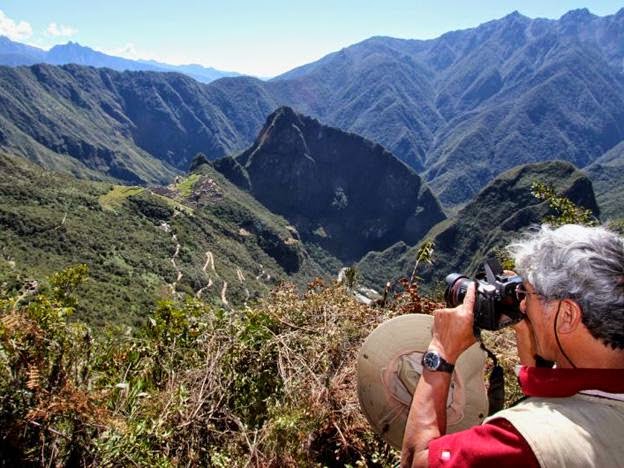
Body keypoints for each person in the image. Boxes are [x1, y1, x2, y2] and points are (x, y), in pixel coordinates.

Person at [400, 224, 624, 467]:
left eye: (527, 294)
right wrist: (534, 351)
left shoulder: (520, 442)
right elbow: (562, 405)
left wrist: (440, 351)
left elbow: (416, 460)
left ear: (567, 315)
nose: (523, 306)